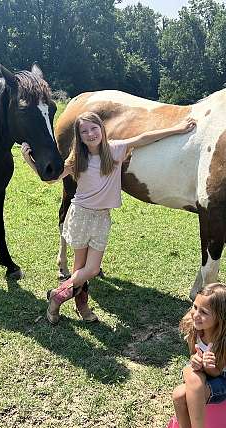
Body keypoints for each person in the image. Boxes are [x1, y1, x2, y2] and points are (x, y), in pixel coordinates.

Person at [22, 111, 196, 324]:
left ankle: (57, 295)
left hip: (102, 217)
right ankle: (81, 306)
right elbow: (52, 180)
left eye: (94, 128)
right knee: (82, 268)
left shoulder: (115, 149)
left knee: (91, 269)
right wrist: (29, 161)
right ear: (79, 136)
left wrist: (177, 129)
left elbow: (143, 138)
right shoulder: (77, 158)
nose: (90, 134)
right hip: (81, 215)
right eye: (84, 131)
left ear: (102, 130)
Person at [158, 283, 226, 428]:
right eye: (195, 307)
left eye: (203, 312)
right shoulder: (194, 326)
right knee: (187, 375)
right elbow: (193, 354)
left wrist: (208, 366)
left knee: (180, 395)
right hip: (201, 374)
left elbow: (217, 371)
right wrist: (195, 359)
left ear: (221, 317)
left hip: (223, 379)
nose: (196, 314)